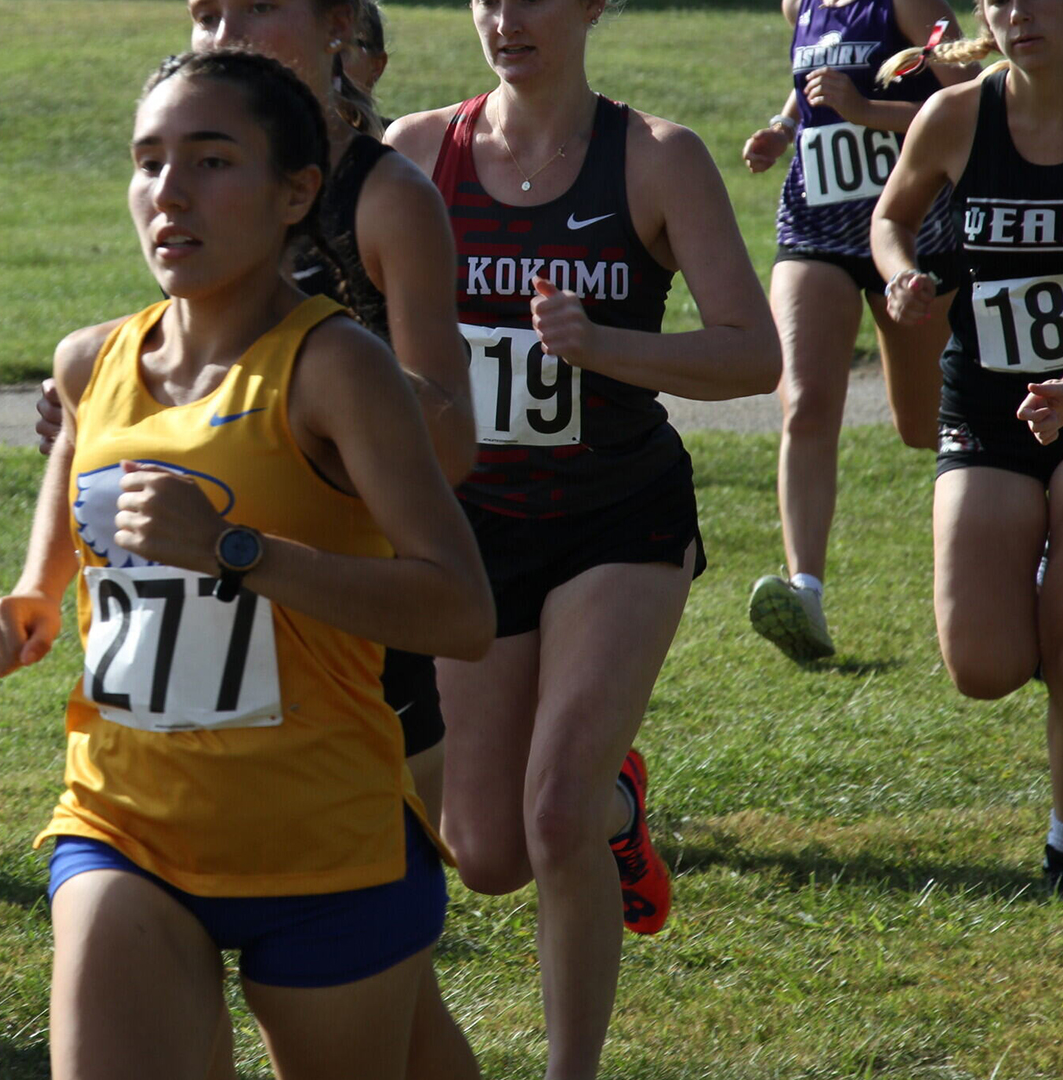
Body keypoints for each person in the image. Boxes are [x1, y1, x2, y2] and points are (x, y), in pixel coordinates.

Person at [0, 49, 494, 1080]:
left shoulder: (338, 367)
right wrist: (38, 592)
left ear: (295, 192)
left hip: (325, 846)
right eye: (148, 161)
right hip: (123, 823)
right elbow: (76, 465)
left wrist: (238, 554)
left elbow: (461, 611)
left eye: (211, 161)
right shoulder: (93, 360)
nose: (169, 192)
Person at [384, 0, 780, 1071]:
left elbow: (754, 354)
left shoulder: (655, 158)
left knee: (551, 815)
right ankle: (618, 797)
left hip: (620, 515)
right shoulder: (417, 155)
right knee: (488, 853)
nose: (509, 19)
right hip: (475, 529)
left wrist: (603, 345)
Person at [875, 0, 1063, 893]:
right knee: (984, 666)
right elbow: (890, 217)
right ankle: (1034, 579)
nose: (1022, 13)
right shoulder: (956, 115)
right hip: (989, 411)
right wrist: (900, 274)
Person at [740, 0, 971, 663]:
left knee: (924, 425)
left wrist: (867, 113)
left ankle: (1031, 528)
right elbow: (809, 86)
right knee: (806, 402)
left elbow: (973, 103)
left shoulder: (910, 6)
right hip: (814, 228)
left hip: (912, 233)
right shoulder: (801, 6)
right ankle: (804, 592)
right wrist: (784, 127)